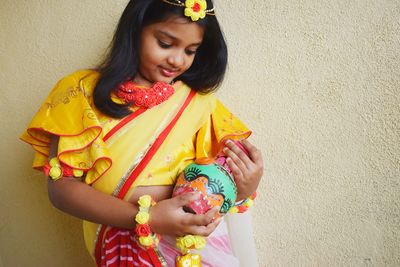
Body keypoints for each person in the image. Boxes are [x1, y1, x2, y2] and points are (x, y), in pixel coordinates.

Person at [20, 0, 263, 266]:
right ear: (135, 30)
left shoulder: (198, 103)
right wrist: (148, 218)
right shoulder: (80, 93)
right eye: (165, 43)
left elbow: (221, 179)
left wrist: (245, 185)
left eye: (191, 50)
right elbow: (62, 190)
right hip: (122, 245)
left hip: (191, 249)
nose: (177, 60)